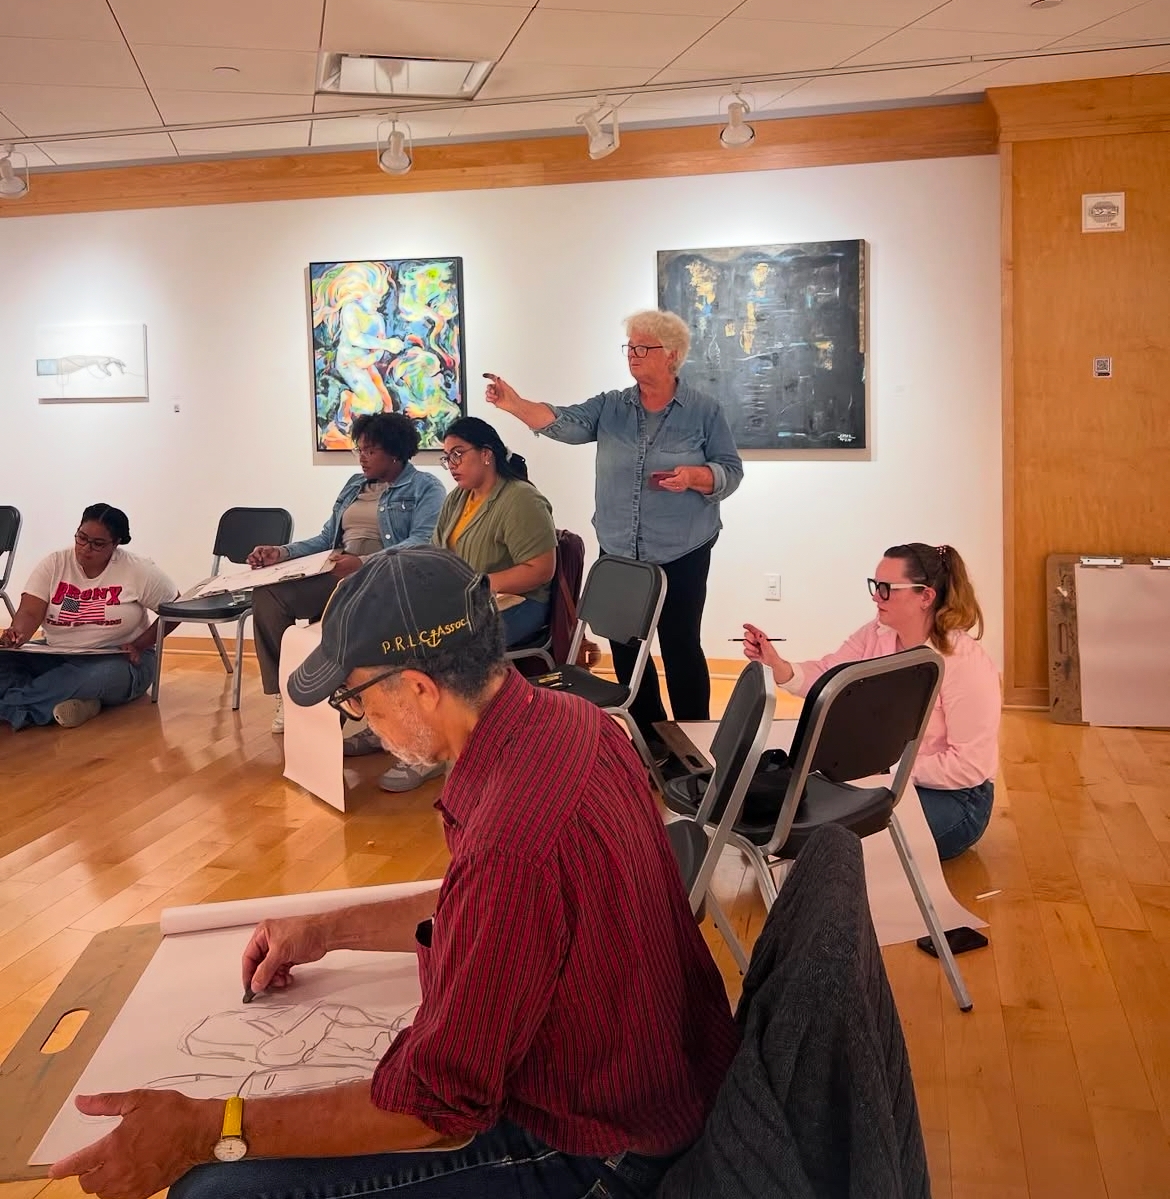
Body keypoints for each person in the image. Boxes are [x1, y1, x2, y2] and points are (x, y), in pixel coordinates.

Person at [48, 549, 739, 1199]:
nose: (361, 719)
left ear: (416, 687)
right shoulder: (576, 723)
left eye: (353, 699)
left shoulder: (511, 841)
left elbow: (435, 1111)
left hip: (598, 1149)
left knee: (216, 1186)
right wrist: (327, 929)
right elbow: (492, 912)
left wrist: (209, 1126)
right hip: (665, 1081)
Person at [485, 309, 743, 756]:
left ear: (673, 356)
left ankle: (695, 746)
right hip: (621, 550)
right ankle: (651, 743)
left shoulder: (704, 410)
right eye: (630, 347)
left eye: (644, 348)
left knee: (680, 646)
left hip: (682, 549)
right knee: (625, 649)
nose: (634, 356)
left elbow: (731, 472)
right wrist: (516, 404)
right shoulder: (612, 406)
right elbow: (563, 421)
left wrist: (696, 476)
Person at [743, 542, 1001, 861]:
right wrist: (778, 666)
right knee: (798, 826)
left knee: (840, 844)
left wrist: (887, 768)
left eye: (886, 588)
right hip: (885, 775)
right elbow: (829, 676)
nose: (875, 596)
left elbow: (970, 766)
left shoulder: (964, 664)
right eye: (875, 586)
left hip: (956, 799)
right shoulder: (876, 634)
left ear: (925, 596)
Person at [344, 416, 557, 794]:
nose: (453, 464)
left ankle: (431, 751)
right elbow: (440, 552)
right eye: (447, 458)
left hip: (519, 606)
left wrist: (482, 585)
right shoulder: (460, 498)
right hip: (469, 603)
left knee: (438, 649)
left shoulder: (521, 499)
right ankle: (391, 727)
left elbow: (541, 570)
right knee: (394, 634)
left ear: (487, 454)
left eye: (459, 454)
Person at [247, 412, 444, 739]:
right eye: (360, 450)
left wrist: (364, 562)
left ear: (394, 452)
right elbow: (326, 540)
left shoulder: (425, 487)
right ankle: (287, 691)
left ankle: (338, 688)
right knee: (268, 595)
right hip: (340, 571)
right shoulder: (354, 486)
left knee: (344, 589)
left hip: (386, 577)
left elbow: (421, 542)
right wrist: (281, 552)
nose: (362, 458)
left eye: (370, 451)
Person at [0, 503, 178, 731]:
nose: (85, 548)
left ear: (116, 544)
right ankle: (75, 702)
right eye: (81, 538)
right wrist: (18, 633)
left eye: (97, 544)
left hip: (119, 659)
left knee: (97, 676)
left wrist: (140, 644)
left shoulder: (137, 569)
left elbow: (175, 608)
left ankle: (13, 705)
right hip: (56, 653)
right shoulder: (54, 563)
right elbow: (30, 612)